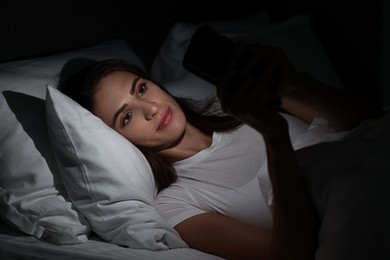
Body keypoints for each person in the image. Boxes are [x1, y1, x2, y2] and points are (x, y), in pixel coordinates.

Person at [59, 41, 384, 259]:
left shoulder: (228, 104)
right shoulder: (175, 203)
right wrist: (274, 137)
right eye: (127, 116)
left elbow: (365, 121)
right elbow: (290, 254)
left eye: (141, 88)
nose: (150, 109)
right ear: (117, 140)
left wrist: (294, 82)